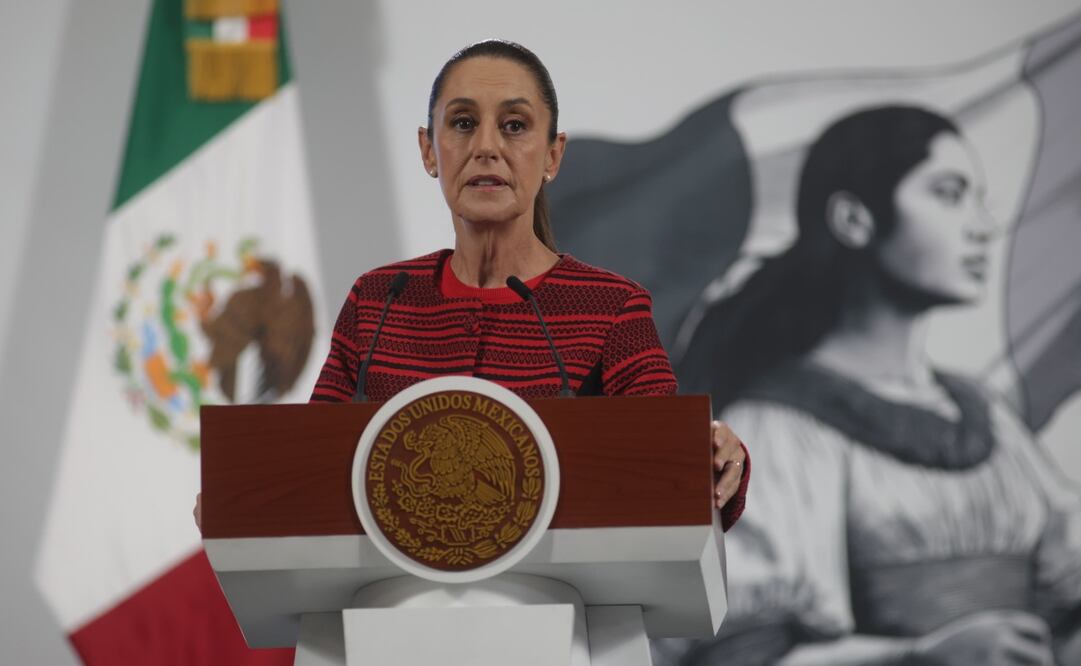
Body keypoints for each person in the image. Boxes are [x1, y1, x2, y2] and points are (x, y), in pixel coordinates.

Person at [195, 40, 749, 531]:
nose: (487, 147)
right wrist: (240, 497)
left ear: (553, 155)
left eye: (514, 126)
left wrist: (718, 458)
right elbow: (308, 468)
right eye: (462, 123)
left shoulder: (609, 308)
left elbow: (675, 479)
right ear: (429, 150)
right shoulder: (378, 301)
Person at [670, 106, 1081, 665]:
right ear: (854, 219)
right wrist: (920, 655)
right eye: (948, 193)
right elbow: (742, 654)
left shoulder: (986, 415)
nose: (983, 225)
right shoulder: (778, 429)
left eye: (978, 197)